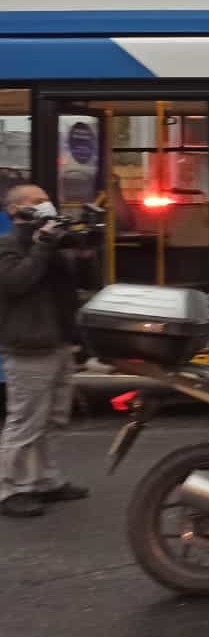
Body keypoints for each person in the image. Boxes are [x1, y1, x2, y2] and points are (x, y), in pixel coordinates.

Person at [0, 184, 90, 519]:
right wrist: (41, 246)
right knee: (25, 422)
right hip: (28, 346)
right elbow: (16, 282)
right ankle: (11, 489)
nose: (45, 205)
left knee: (53, 419)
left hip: (59, 343)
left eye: (45, 200)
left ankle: (45, 481)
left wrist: (81, 251)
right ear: (15, 211)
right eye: (36, 202)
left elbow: (74, 287)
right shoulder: (8, 245)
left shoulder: (50, 243)